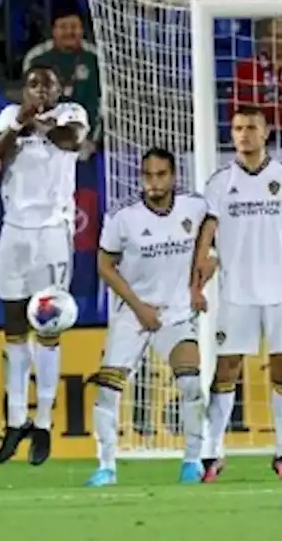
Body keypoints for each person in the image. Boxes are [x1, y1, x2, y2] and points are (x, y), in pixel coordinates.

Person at [192, 105, 282, 482]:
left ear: (266, 132)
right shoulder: (219, 182)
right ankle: (212, 454)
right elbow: (207, 234)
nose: (244, 134)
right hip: (236, 293)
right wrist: (196, 284)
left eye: (251, 127)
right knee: (225, 370)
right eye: (238, 127)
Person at [88, 148, 208, 487]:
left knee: (189, 383)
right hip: (132, 313)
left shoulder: (194, 207)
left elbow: (212, 226)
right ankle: (106, 466)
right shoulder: (122, 216)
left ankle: (192, 462)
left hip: (177, 314)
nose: (153, 183)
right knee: (108, 391)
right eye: (148, 175)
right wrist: (139, 307)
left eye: (160, 175)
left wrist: (201, 278)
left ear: (173, 176)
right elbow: (104, 266)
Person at [0, 66, 89, 466]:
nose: (41, 91)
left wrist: (40, 122)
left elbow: (71, 142)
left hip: (52, 232)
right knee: (13, 328)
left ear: (59, 89)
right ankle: (16, 420)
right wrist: (21, 121)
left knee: (47, 328)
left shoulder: (71, 114)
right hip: (13, 230)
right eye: (33, 85)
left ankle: (44, 422)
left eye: (48, 84)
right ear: (24, 89)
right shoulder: (10, 116)